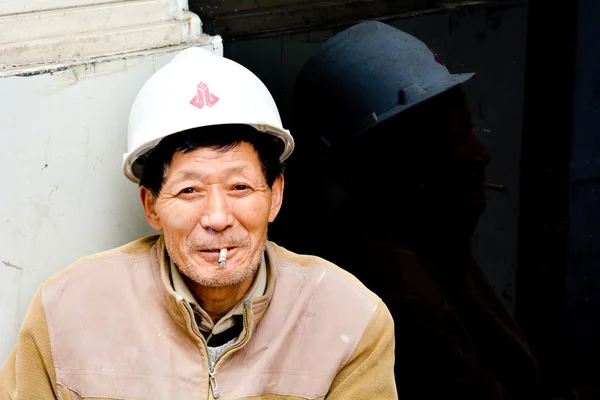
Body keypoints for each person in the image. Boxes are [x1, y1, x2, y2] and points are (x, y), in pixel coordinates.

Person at [0, 47, 396, 399]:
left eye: (240, 187)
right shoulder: (66, 311)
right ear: (151, 205)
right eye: (189, 191)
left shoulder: (347, 318)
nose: (218, 218)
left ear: (275, 195)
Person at [291, 20, 543, 399]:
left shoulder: (424, 236)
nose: (482, 153)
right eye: (458, 139)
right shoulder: (396, 290)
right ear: (399, 162)